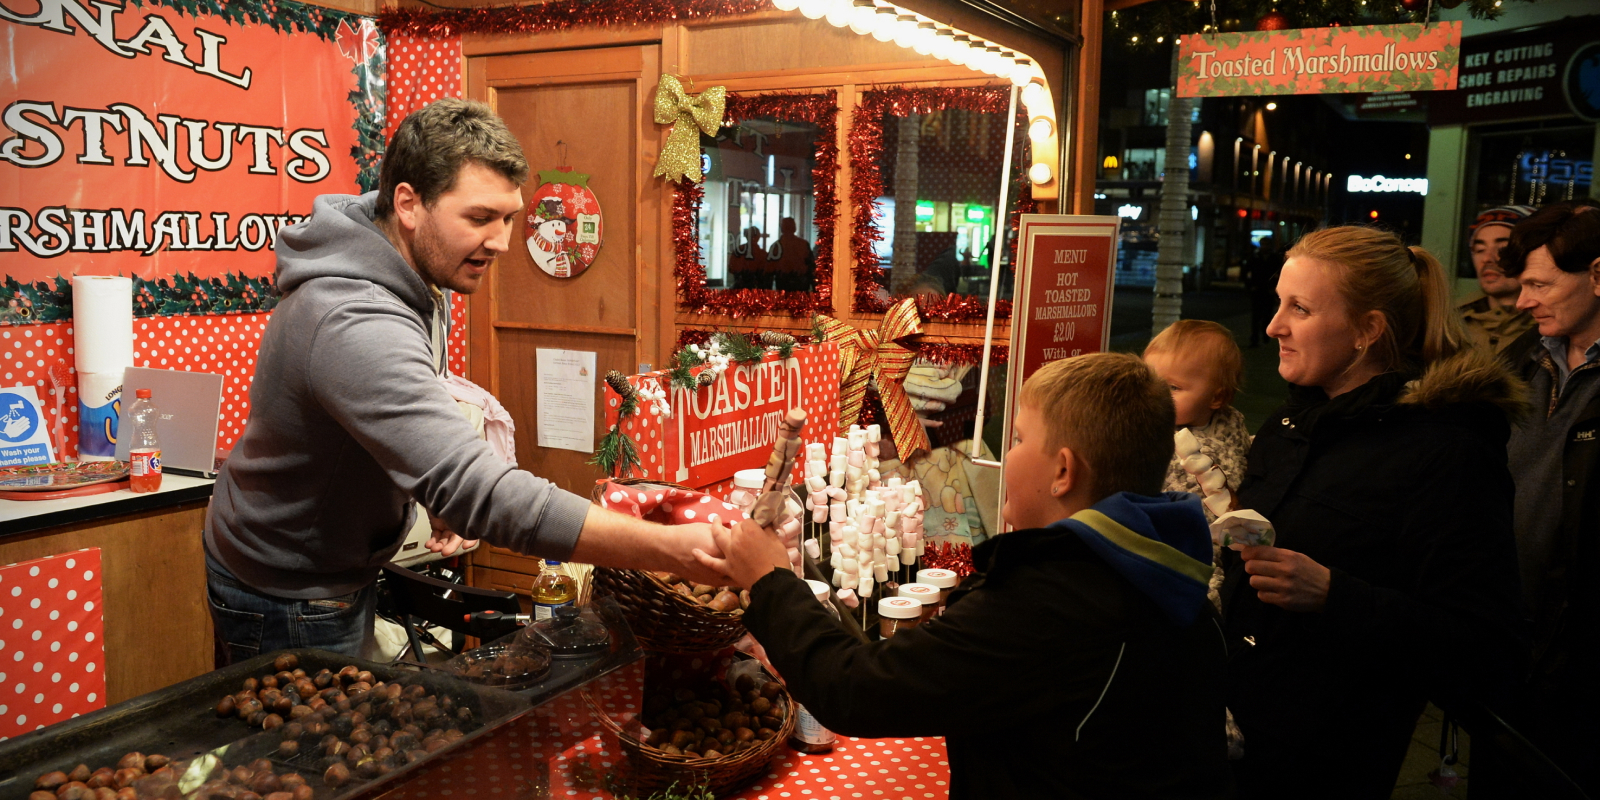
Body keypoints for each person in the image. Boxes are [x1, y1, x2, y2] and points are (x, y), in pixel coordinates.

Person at [204, 99, 726, 662]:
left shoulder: (412, 264)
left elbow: (406, 413)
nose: (502, 241)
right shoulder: (352, 318)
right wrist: (674, 549)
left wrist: (430, 495)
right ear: (408, 203)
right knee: (307, 749)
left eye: (508, 218)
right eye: (480, 218)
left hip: (335, 560)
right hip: (288, 587)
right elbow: (478, 490)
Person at [697, 353, 1234, 800]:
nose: (1009, 454)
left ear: (1063, 472)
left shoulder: (1050, 604)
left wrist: (769, 581)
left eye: (1020, 440)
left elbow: (856, 688)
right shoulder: (1166, 573)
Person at [1219, 226, 1527, 799]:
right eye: (1279, 303)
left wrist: (1335, 593)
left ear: (1367, 330)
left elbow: (1480, 646)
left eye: (1300, 309)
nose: (1272, 326)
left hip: (1328, 760)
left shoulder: (1446, 450)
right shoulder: (1288, 425)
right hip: (1233, 740)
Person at [1495, 202, 1600, 794]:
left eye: (1538, 284)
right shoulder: (1523, 362)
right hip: (1512, 642)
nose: (1522, 301)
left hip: (1582, 661)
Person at [1144, 319, 1251, 605]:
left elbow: (1240, 468)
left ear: (1218, 397)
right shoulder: (1145, 432)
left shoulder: (1229, 431)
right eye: (1149, 383)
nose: (1155, 397)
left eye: (1173, 388)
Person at [1459, 204, 1537, 353]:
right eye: (1480, 250)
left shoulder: (1551, 328)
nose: (1487, 259)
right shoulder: (1452, 325)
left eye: (1503, 248)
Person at [1241, 236, 1284, 347]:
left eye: (1267, 244)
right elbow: (1245, 272)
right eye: (1263, 244)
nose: (1265, 246)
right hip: (1257, 289)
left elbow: (1281, 273)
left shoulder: (1274, 258)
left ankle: (1265, 336)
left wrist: (1275, 288)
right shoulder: (1255, 257)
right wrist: (1250, 286)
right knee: (1256, 316)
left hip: (1268, 290)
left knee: (1267, 315)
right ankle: (1255, 338)